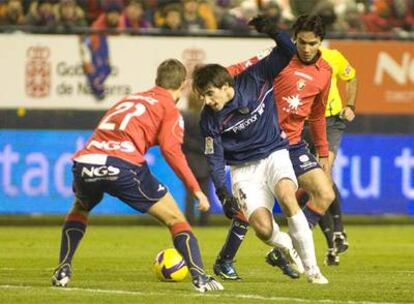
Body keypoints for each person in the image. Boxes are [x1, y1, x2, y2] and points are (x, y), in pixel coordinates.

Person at [51, 58, 223, 293]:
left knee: (80, 206)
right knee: (175, 219)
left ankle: (63, 269)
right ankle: (201, 277)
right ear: (183, 85)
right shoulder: (169, 109)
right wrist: (196, 189)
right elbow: (172, 151)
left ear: (156, 80)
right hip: (123, 165)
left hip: (86, 161)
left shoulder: (128, 99)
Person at [193, 15, 328, 284]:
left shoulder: (256, 76)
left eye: (209, 94)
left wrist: (273, 30)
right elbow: (215, 157)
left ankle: (313, 271)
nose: (206, 101)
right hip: (244, 169)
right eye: (202, 96)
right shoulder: (208, 118)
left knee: (288, 197)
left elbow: (289, 52)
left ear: (225, 86)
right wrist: (222, 192)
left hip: (275, 152)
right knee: (264, 230)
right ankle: (286, 246)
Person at [301, 46, 358, 266]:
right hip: (302, 124)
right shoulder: (289, 60)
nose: (307, 47)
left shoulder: (333, 56)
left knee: (322, 175)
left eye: (312, 41)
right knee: (314, 185)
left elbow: (352, 77)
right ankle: (334, 239)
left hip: (330, 121)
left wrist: (351, 104)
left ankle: (338, 232)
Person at [182, 92, 211, 226]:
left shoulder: (184, 117)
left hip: (189, 160)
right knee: (205, 192)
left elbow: (182, 140)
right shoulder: (207, 117)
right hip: (205, 160)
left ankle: (189, 220)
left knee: (190, 192)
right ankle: (204, 220)